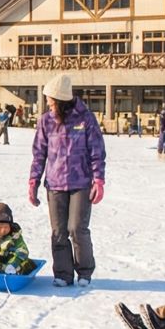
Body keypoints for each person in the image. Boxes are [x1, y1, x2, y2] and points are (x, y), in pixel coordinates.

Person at [28, 74, 106, 288]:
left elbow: (97, 151)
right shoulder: (46, 121)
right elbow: (39, 154)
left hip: (81, 182)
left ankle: (84, 271)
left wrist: (98, 180)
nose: (48, 103)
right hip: (54, 183)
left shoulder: (85, 119)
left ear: (60, 100)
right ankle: (63, 273)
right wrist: (33, 181)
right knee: (59, 231)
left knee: (76, 228)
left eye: (51, 99)